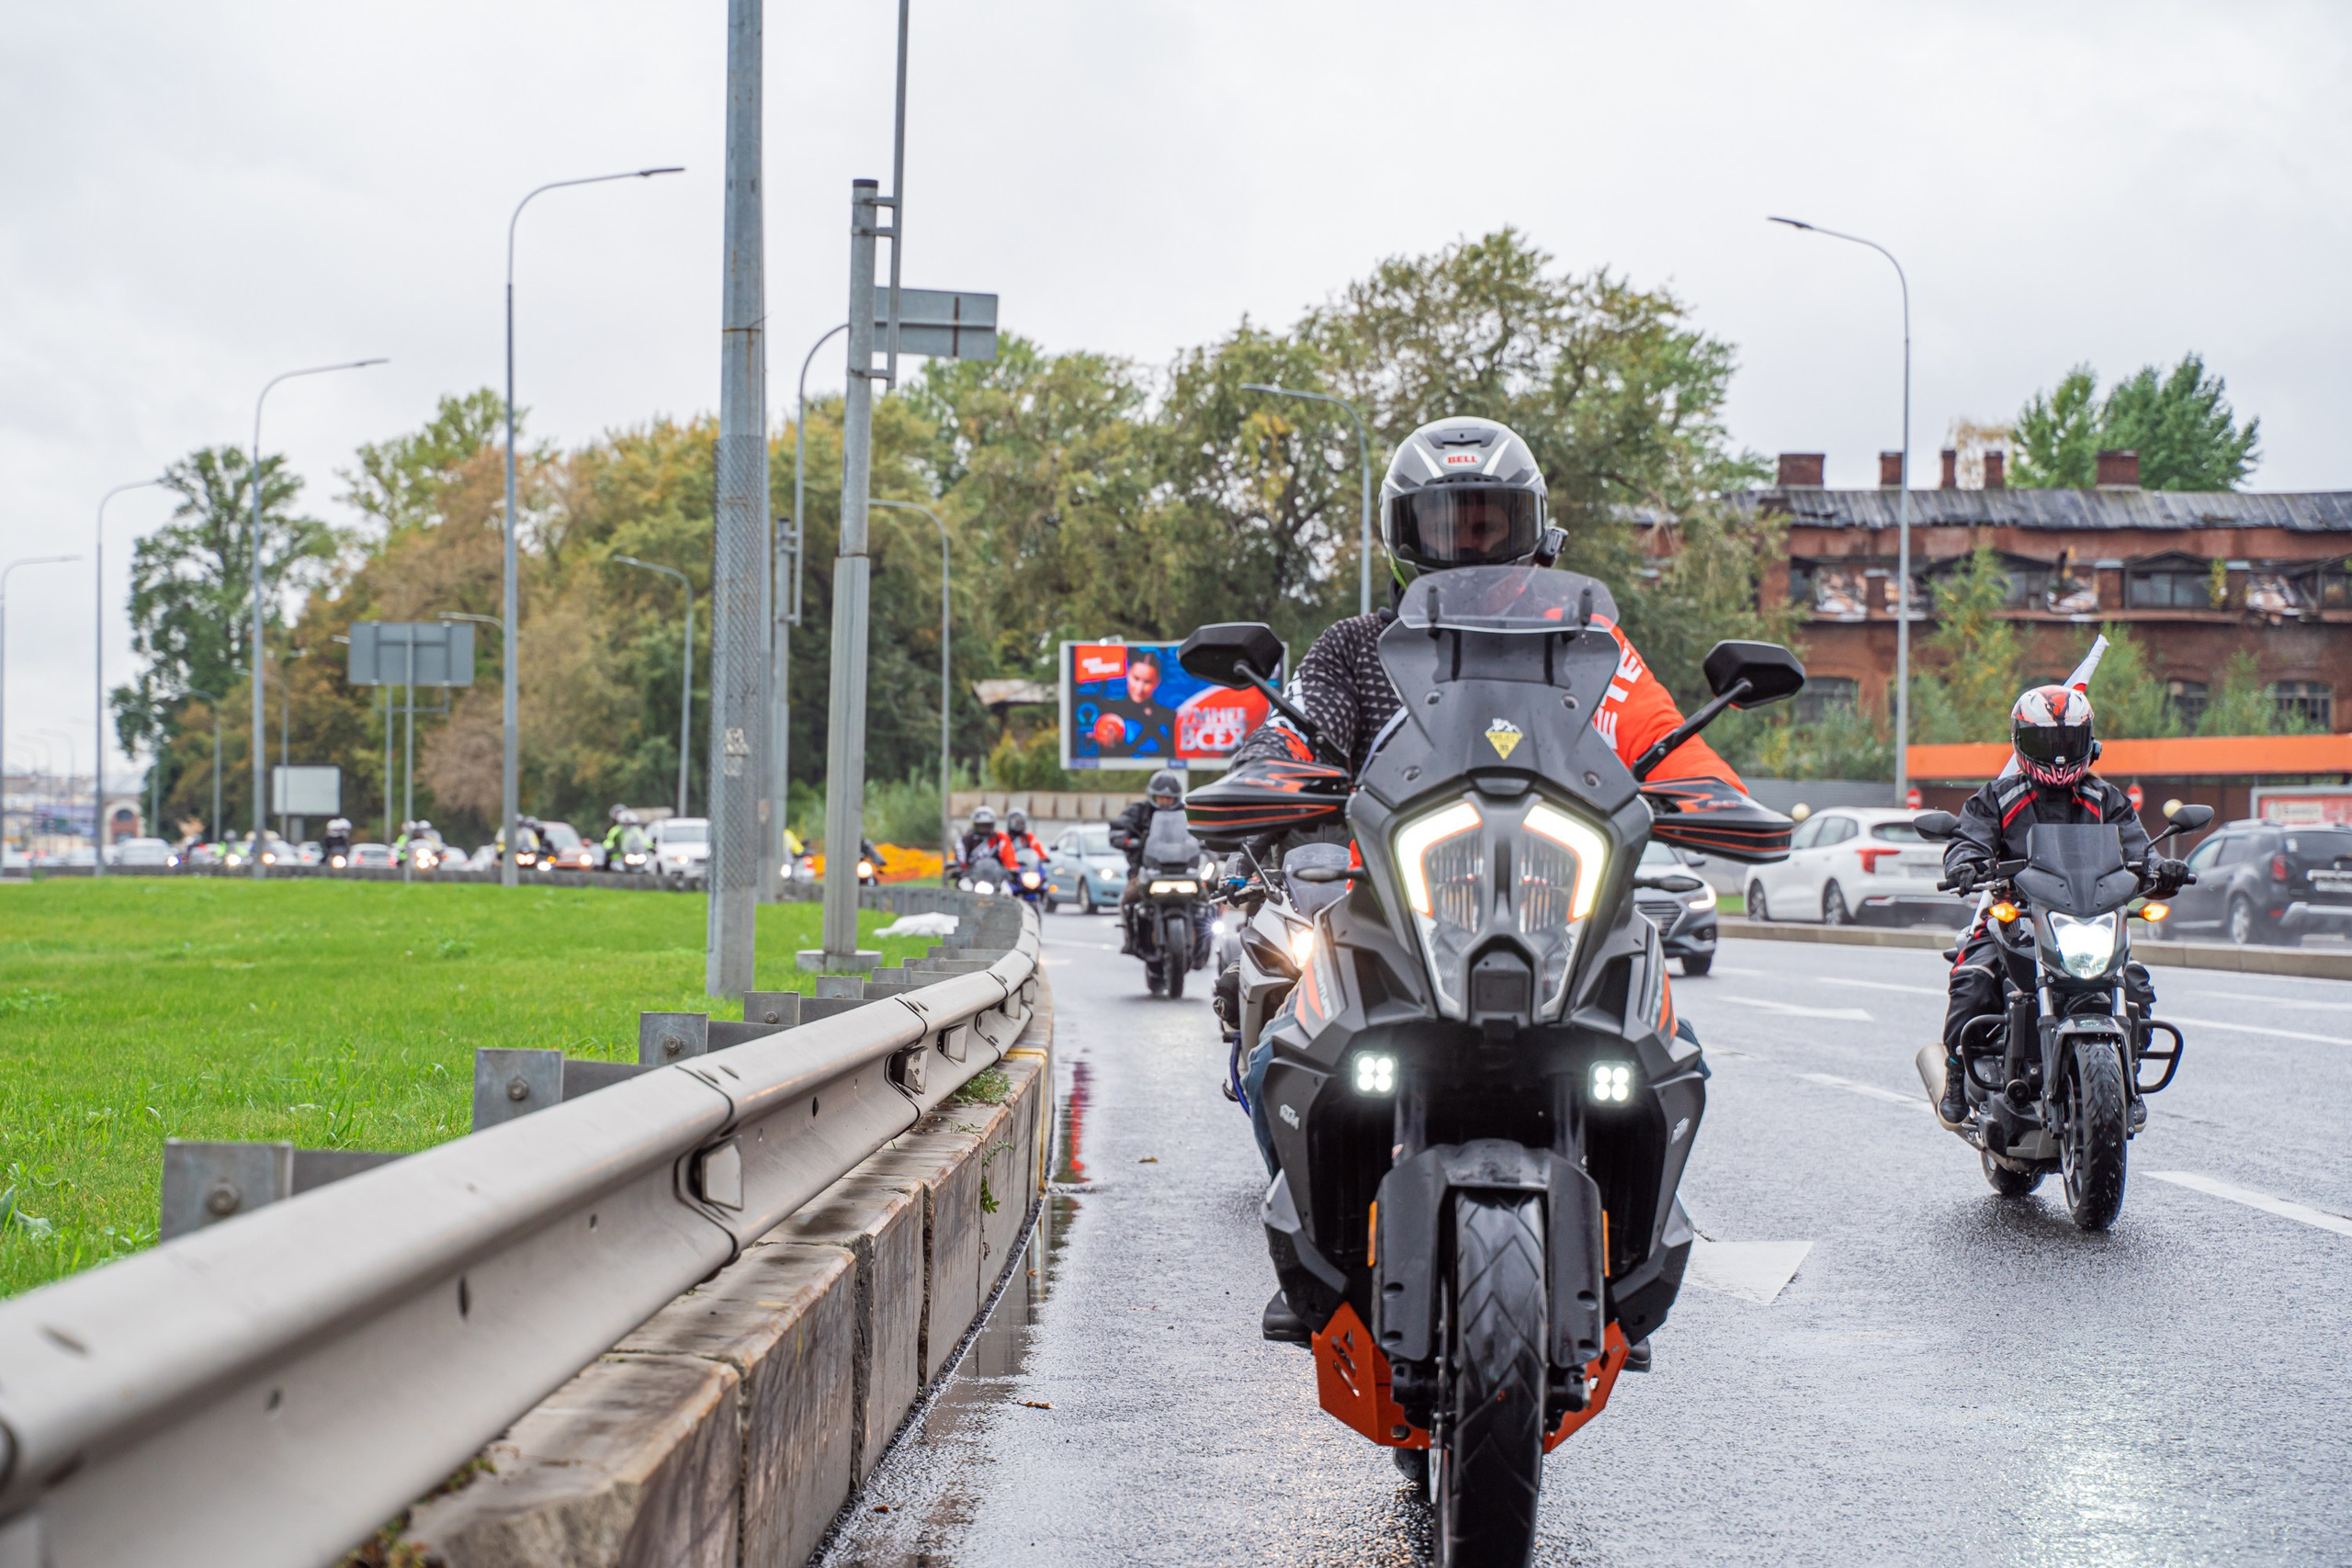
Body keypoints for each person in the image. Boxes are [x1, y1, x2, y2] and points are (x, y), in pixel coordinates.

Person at [1224, 414, 1750, 1341]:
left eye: (1486, 522)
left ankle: (1632, 1241)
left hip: (1558, 910)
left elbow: (1664, 738)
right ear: (1402, 537)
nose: (1465, 543)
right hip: (1394, 910)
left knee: (1670, 1051)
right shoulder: (1355, 648)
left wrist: (1712, 793)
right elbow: (1293, 729)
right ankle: (1312, 1241)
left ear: (1530, 529)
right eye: (1443, 524)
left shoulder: (1590, 652)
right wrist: (1264, 775)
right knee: (1280, 1052)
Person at [1936, 684, 2188, 1126]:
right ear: (2021, 742)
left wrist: (2161, 868)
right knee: (1974, 979)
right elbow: (1968, 837)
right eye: (2044, 743)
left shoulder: (2105, 799)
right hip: (2013, 917)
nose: (2056, 755)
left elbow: (2138, 848)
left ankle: (2126, 1074)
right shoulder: (1998, 797)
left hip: (2088, 916)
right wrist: (1965, 864)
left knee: (2134, 984)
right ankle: (1957, 1072)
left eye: (2066, 742)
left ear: (2087, 742)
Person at [1110, 769, 1189, 953]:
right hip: (1145, 870)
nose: (1166, 801)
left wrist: (1207, 842)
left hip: (1184, 870)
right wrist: (1124, 839)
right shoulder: (1138, 811)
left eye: (1170, 798)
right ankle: (1131, 940)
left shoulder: (1187, 813)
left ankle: (1205, 940)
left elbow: (1203, 829)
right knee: (1128, 899)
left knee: (1208, 898)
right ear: (1153, 796)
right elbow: (1118, 828)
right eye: (1161, 797)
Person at [955, 807, 1009, 877]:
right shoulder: (964, 839)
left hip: (996, 878)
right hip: (970, 877)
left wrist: (1011, 869)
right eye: (981, 825)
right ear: (975, 825)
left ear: (992, 825)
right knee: (961, 885)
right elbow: (961, 860)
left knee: (1007, 887)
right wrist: (959, 869)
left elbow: (1009, 857)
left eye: (987, 825)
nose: (984, 828)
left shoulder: (1000, 838)